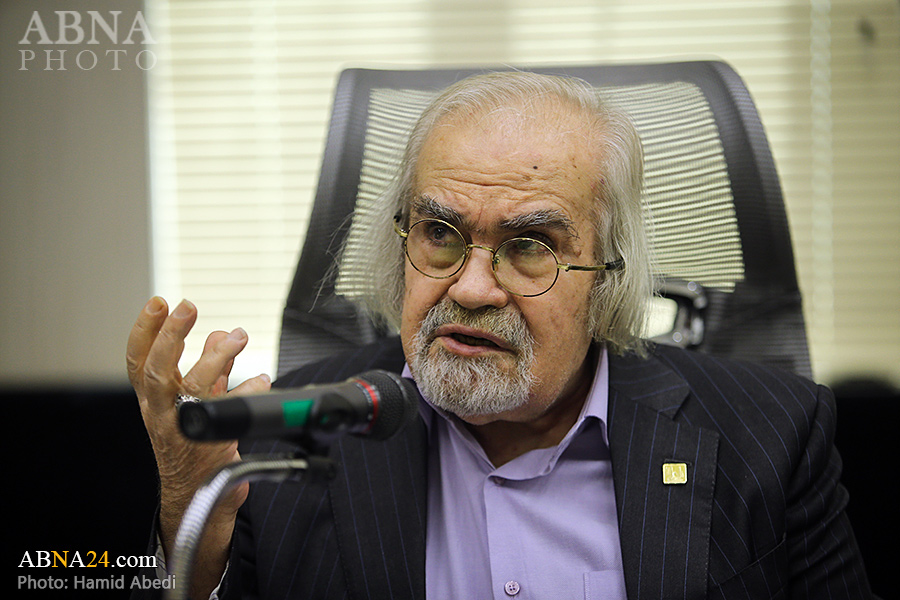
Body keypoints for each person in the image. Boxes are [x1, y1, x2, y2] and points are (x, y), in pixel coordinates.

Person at [127, 72, 873, 599]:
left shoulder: (771, 437)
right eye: (440, 233)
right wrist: (192, 519)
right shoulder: (278, 438)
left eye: (530, 246)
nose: (472, 288)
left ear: (606, 277)